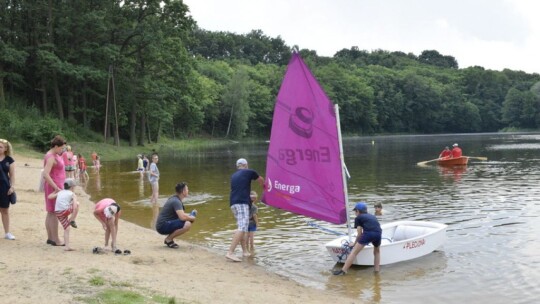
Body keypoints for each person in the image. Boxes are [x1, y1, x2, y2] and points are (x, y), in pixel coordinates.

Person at [226, 158, 265, 262]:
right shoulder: (249, 171)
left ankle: (245, 251)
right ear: (246, 164)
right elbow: (261, 180)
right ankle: (230, 252)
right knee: (242, 228)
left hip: (233, 203)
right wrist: (266, 189)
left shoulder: (233, 175)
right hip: (242, 203)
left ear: (238, 166)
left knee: (242, 226)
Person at [333, 202, 382, 275]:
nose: (355, 213)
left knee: (354, 252)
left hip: (368, 234)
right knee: (377, 252)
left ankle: (343, 271)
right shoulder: (372, 216)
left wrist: (354, 244)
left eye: (355, 211)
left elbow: (359, 234)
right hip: (378, 233)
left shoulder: (358, 218)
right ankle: (376, 271)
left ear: (358, 211)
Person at [155, 182, 196, 249]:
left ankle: (169, 239)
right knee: (187, 224)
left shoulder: (174, 199)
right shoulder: (176, 201)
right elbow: (182, 217)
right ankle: (168, 240)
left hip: (163, 224)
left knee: (188, 218)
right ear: (183, 191)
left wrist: (190, 215)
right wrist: (192, 218)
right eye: (187, 189)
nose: (188, 191)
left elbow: (181, 214)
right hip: (162, 226)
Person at [43, 135, 67, 246]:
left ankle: (50, 238)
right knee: (54, 212)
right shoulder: (51, 156)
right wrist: (56, 187)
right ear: (56, 146)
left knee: (50, 212)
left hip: (55, 186)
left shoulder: (53, 154)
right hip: (54, 187)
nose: (62, 150)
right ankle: (55, 239)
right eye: (61, 148)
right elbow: (45, 174)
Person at [47, 178, 79, 251]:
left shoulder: (60, 192)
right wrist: (72, 215)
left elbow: (49, 197)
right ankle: (72, 220)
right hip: (65, 211)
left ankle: (67, 246)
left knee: (67, 228)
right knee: (77, 204)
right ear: (72, 187)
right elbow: (74, 206)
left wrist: (55, 191)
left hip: (58, 212)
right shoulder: (72, 194)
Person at [0, 138, 16, 240]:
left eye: (1, 147)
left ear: (5, 148)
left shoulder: (9, 160)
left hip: (4, 188)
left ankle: (7, 233)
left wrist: (12, 187)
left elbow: (12, 175)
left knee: (5, 210)